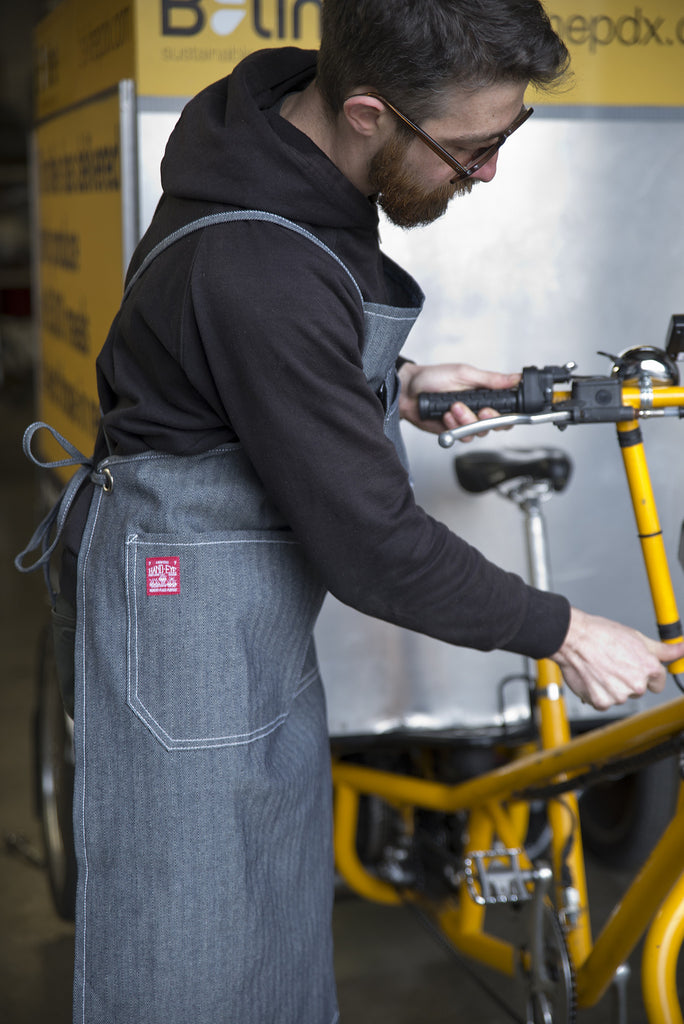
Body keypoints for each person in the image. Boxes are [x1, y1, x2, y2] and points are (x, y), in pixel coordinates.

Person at [16, 1, 684, 1022]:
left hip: (233, 625)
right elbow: (376, 547)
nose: (488, 172)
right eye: (472, 149)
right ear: (369, 111)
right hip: (181, 624)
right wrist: (567, 631)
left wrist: (398, 382)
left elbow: (244, 364)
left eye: (507, 138)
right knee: (193, 970)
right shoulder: (259, 266)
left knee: (270, 925)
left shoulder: (280, 136)